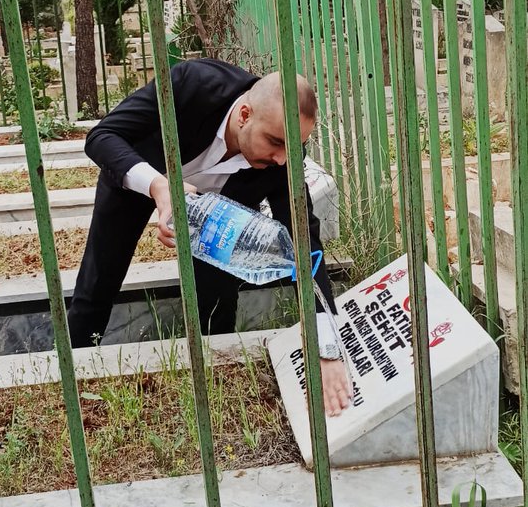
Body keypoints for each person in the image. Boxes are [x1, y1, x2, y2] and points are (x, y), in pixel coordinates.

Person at [68, 58, 353, 416]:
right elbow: (102, 137)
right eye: (275, 142)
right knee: (99, 280)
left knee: (218, 296)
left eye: (293, 148)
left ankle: (212, 383)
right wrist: (159, 187)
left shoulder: (284, 155)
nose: (283, 160)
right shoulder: (194, 84)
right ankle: (71, 374)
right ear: (244, 115)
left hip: (219, 212)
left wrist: (325, 346)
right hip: (142, 177)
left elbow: (303, 242)